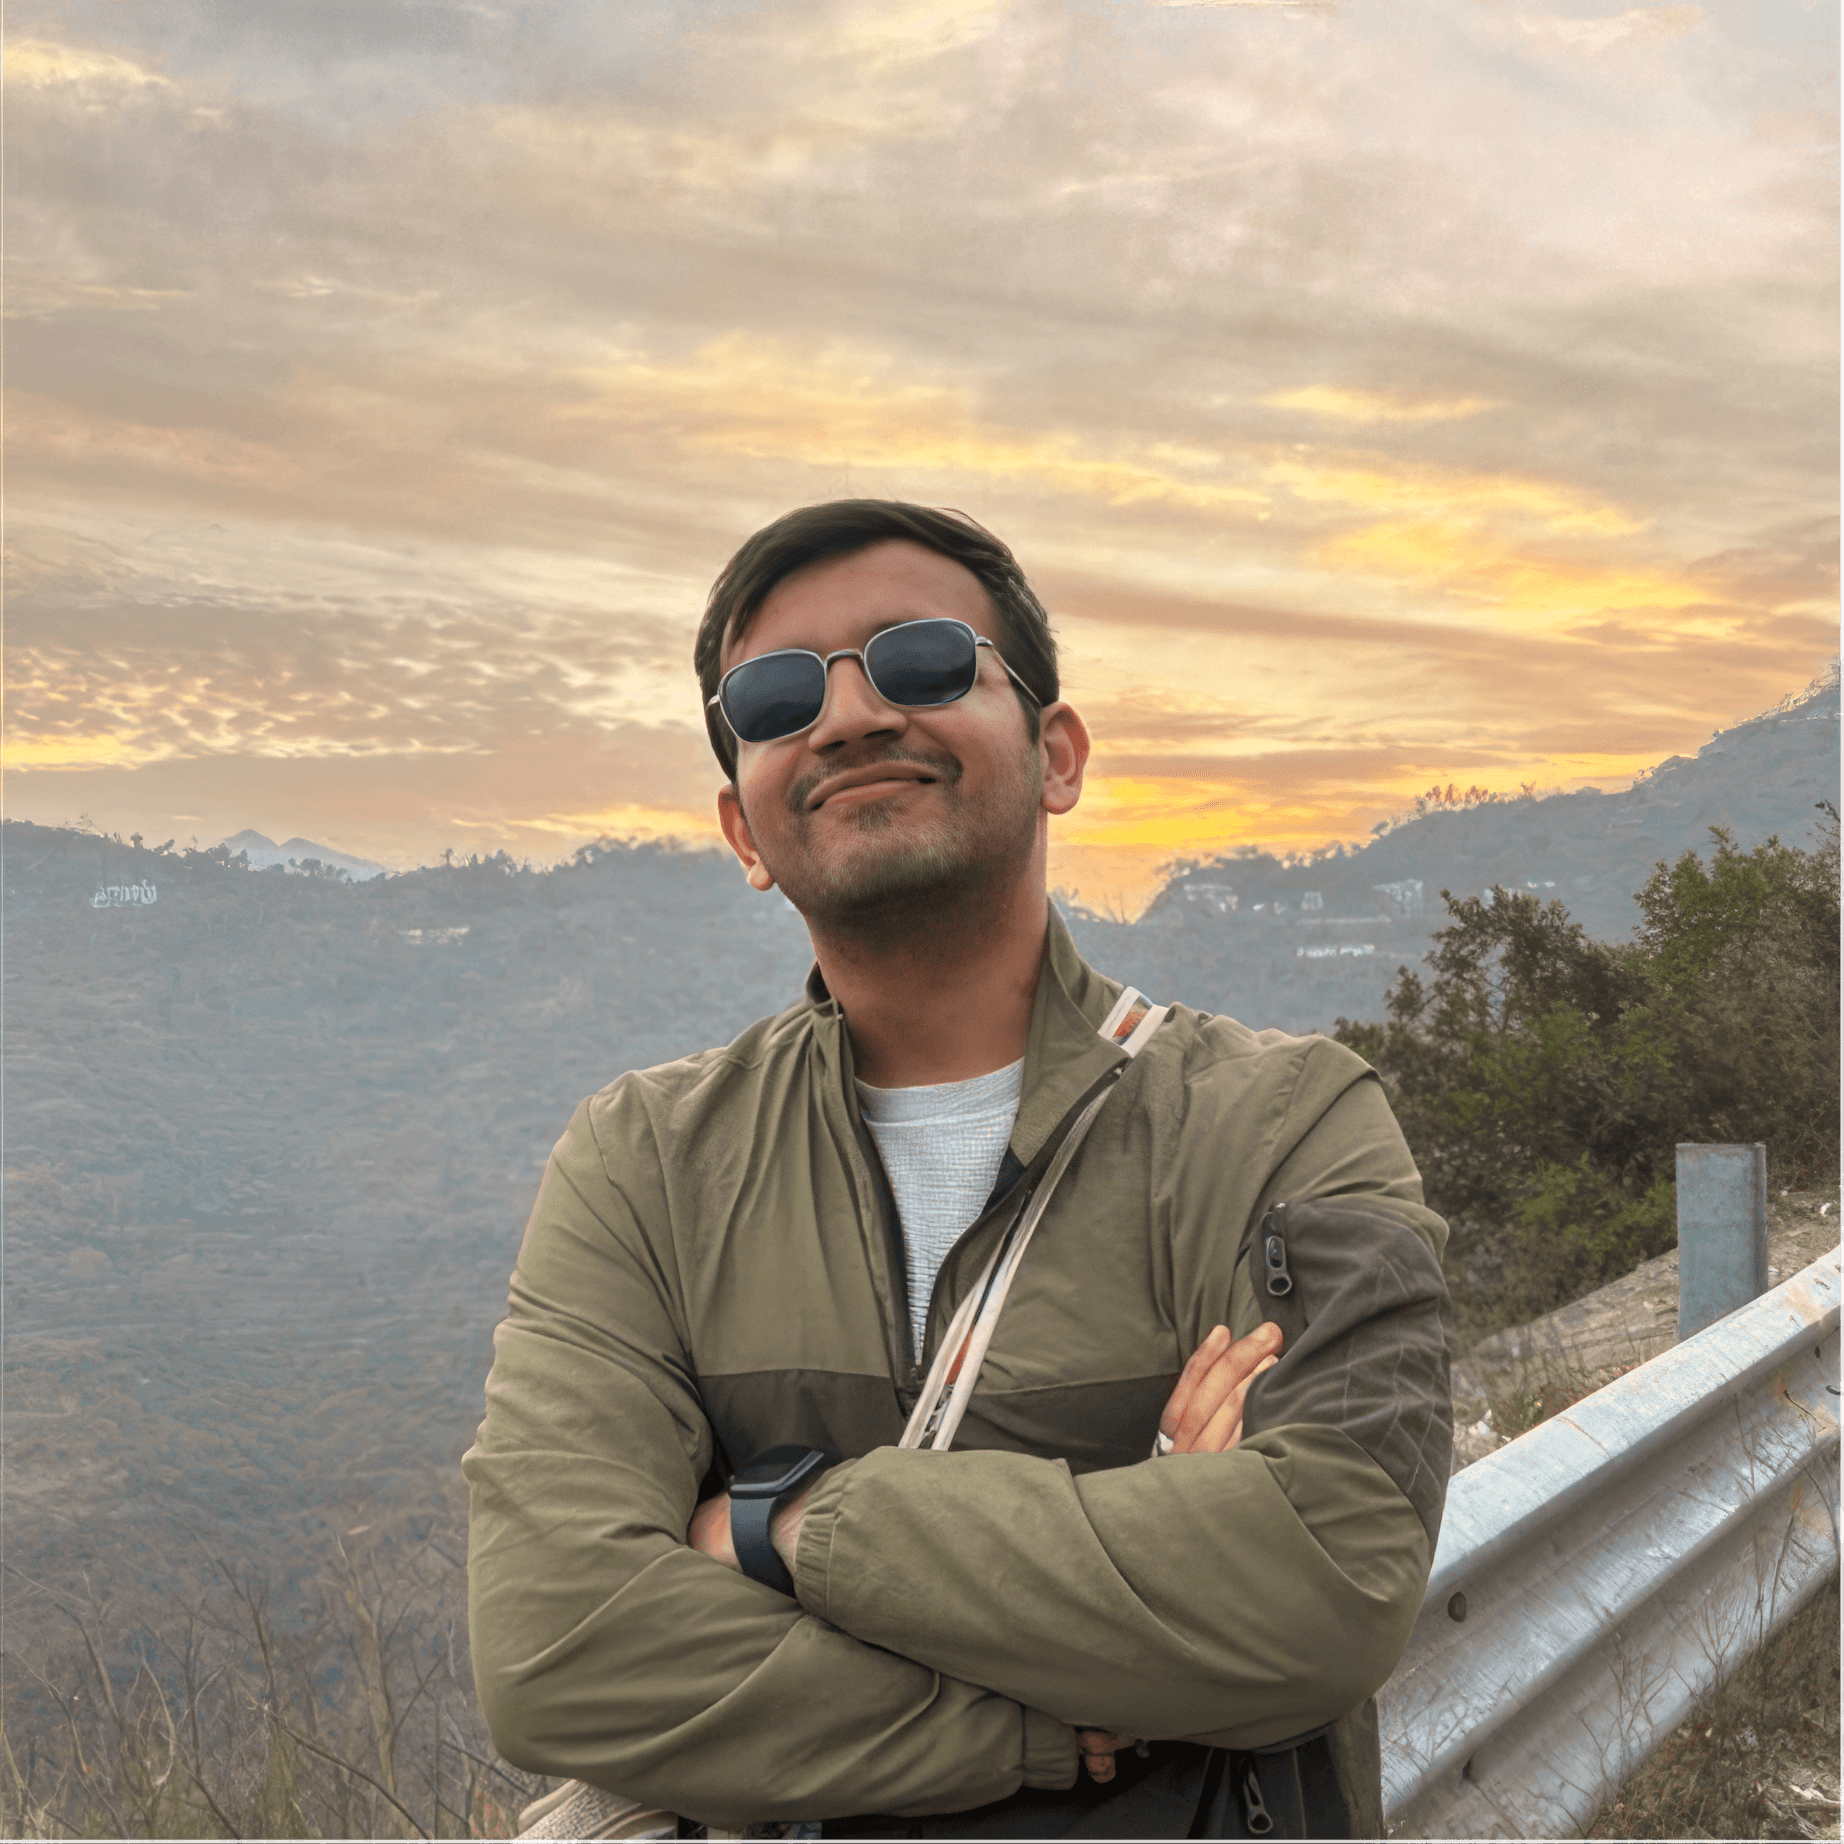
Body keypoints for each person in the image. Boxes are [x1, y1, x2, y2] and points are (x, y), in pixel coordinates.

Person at [464, 501, 1455, 1840]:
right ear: (742, 831)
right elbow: (556, 1649)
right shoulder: (646, 1164)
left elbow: (1326, 1581)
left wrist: (785, 1526)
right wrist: (1061, 1712)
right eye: (774, 696)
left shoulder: (1281, 1123)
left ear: (1057, 755)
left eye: (923, 661)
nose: (851, 714)